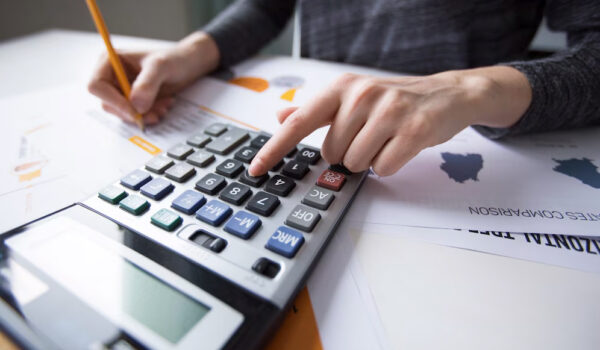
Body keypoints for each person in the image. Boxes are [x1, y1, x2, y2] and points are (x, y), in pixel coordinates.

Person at [88, 0, 600, 178]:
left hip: (456, 141)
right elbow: (267, 6)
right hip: (311, 122)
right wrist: (194, 52)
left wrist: (473, 89)